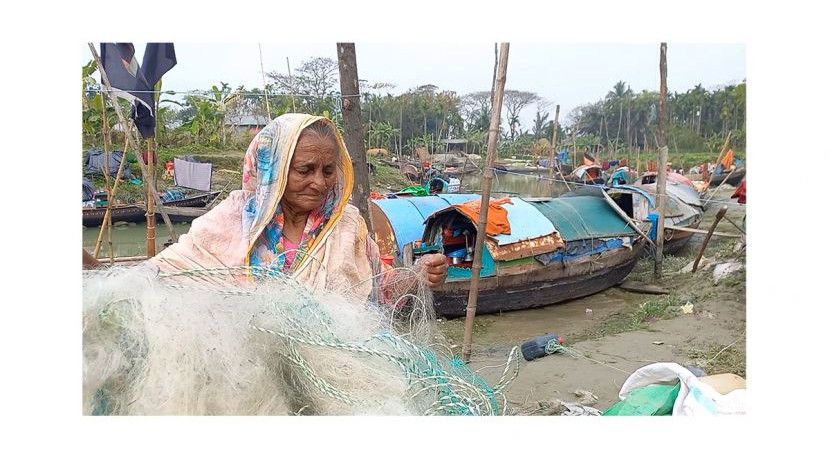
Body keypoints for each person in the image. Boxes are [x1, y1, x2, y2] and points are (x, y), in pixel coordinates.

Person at [151, 114, 448, 304]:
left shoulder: (346, 226)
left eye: (328, 171)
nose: (319, 183)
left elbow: (379, 287)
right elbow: (163, 273)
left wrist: (417, 275)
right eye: (305, 170)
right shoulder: (228, 221)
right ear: (272, 170)